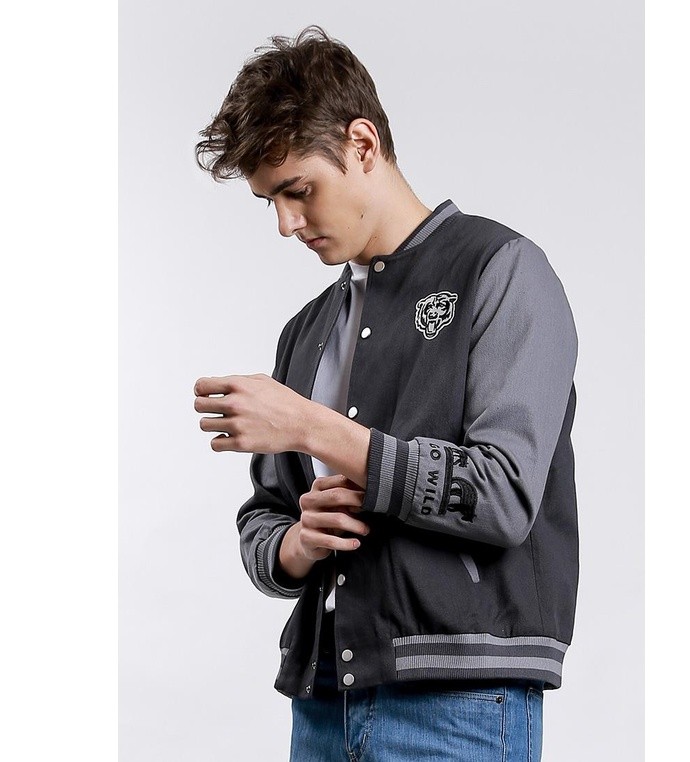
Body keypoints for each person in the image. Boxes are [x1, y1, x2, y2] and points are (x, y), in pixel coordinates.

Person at [193, 24, 578, 762]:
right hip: (322, 701)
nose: (286, 224)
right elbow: (264, 517)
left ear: (363, 145)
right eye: (270, 201)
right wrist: (297, 546)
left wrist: (314, 429)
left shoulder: (502, 271)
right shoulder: (306, 330)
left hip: (460, 704)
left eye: (298, 191)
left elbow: (503, 495)